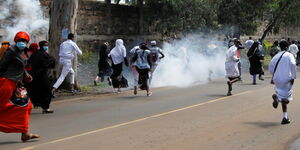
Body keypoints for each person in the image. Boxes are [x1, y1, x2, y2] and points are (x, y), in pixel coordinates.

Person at [0, 31, 40, 142]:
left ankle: (25, 133)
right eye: (19, 40)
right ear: (15, 41)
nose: (22, 42)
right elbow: (1, 66)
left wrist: (26, 75)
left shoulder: (21, 52)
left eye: (24, 41)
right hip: (6, 82)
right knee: (2, 106)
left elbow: (20, 66)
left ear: (27, 42)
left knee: (26, 105)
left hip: (16, 83)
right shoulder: (10, 51)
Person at [269, 40, 296, 125]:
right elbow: (293, 64)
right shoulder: (289, 55)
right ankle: (279, 100)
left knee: (283, 96)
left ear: (280, 47)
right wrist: (293, 77)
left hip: (277, 79)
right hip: (287, 79)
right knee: (286, 99)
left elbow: (270, 67)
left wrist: (275, 75)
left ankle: (285, 117)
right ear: (287, 47)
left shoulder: (276, 56)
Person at [27, 41, 56, 113]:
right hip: (41, 76)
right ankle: (45, 107)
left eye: (47, 45)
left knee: (37, 90)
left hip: (35, 76)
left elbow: (29, 63)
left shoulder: (36, 54)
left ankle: (38, 104)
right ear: (41, 46)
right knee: (48, 90)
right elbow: (46, 63)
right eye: (45, 45)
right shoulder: (42, 54)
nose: (46, 46)